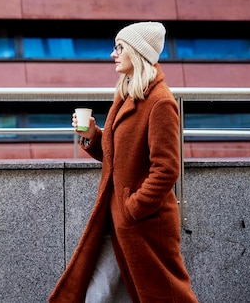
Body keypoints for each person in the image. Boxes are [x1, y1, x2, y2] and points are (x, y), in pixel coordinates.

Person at [49, 21, 198, 303]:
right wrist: (93, 135)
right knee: (102, 295)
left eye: (119, 47)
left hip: (144, 224)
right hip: (116, 220)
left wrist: (132, 209)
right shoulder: (127, 93)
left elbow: (167, 169)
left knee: (165, 296)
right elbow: (119, 157)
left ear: (137, 52)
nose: (112, 54)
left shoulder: (160, 102)